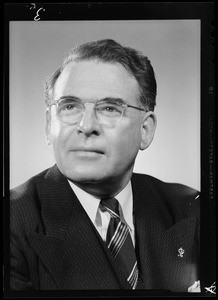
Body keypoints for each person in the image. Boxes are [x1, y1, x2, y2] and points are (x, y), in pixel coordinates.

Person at [10, 39, 200, 292]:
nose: (86, 126)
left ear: (145, 130)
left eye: (109, 108)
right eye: (69, 106)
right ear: (49, 125)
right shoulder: (12, 223)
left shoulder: (194, 210)